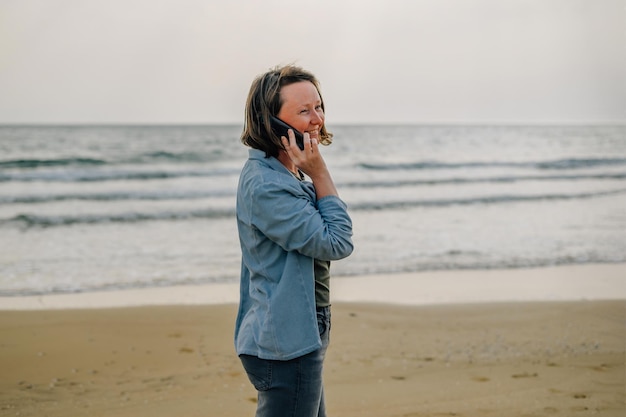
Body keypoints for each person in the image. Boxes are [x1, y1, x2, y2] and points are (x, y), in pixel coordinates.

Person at [234, 64, 354, 417]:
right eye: (303, 111)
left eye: (318, 107)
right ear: (271, 121)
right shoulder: (268, 185)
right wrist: (321, 173)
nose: (316, 118)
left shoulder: (286, 173)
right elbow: (337, 242)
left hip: (301, 329)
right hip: (286, 342)